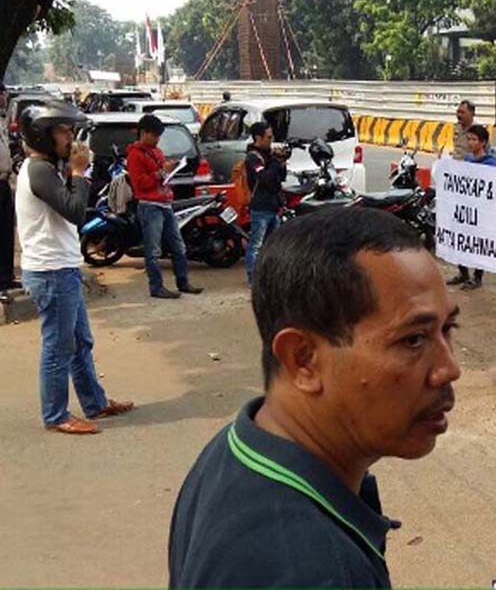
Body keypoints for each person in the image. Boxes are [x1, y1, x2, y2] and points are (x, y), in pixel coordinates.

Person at [168, 208, 461, 588]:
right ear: (302, 359)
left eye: (448, 328)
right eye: (413, 340)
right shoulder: (312, 570)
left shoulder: (240, 445)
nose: (449, 369)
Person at [15, 102, 134, 434]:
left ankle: (94, 402)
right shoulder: (38, 170)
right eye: (63, 131)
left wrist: (76, 169)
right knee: (58, 346)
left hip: (63, 268)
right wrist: (79, 173)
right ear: (43, 136)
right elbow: (76, 211)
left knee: (81, 341)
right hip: (51, 272)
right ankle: (56, 415)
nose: (70, 137)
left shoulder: (48, 167)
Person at [126, 114, 203, 299]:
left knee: (178, 246)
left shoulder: (157, 152)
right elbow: (140, 183)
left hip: (165, 202)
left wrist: (168, 169)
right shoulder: (135, 155)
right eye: (154, 136)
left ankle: (182, 281)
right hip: (149, 205)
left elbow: (161, 174)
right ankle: (156, 286)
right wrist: (161, 173)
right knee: (153, 250)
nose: (157, 139)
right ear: (144, 133)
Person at [446, 124, 496, 291]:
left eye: (474, 139)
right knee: (460, 240)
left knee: (477, 244)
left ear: (483, 142)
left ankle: (477, 277)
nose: (470, 143)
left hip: (481, 211)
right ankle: (463, 273)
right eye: (468, 139)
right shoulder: (468, 159)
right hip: (465, 208)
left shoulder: (490, 163)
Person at [244, 122, 287, 286]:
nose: (271, 140)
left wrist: (282, 162)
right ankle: (253, 279)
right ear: (258, 137)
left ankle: (271, 277)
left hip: (273, 206)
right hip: (260, 207)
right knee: (256, 245)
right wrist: (276, 162)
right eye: (268, 137)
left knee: (273, 246)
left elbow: (279, 178)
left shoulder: (270, 155)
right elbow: (264, 179)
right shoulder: (253, 157)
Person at [0, 83, 19, 302]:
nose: (4, 98)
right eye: (2, 94)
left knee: (7, 231)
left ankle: (6, 277)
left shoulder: (3, 121)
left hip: (4, 181)